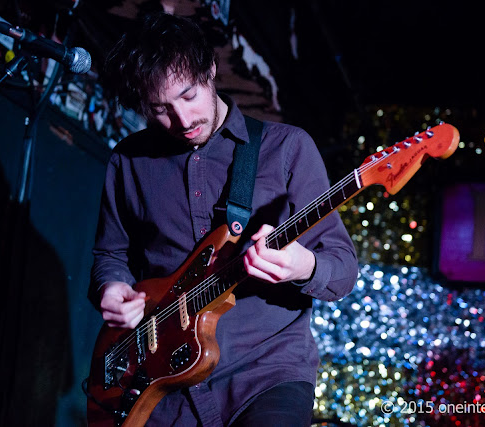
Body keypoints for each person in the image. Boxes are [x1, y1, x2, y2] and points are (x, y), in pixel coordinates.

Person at [89, 12, 358, 426]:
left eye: (189, 94)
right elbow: (111, 252)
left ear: (210, 69)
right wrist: (112, 288)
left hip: (265, 371)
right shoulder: (129, 161)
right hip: (161, 384)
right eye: (159, 108)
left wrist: (302, 266)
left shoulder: (286, 149)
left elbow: (342, 269)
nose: (182, 120)